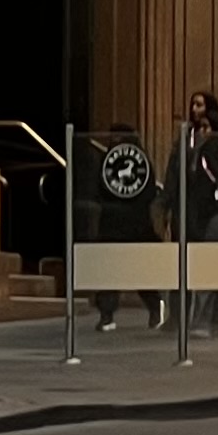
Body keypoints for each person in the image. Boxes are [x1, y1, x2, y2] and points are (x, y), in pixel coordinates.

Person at [157, 93, 218, 338]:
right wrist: (167, 206)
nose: (195, 110)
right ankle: (185, 317)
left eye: (200, 105)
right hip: (190, 213)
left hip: (214, 216)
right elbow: (175, 178)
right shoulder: (187, 145)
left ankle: (204, 320)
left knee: (207, 270)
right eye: (193, 104)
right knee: (187, 268)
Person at [76, 124, 164, 332]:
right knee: (114, 272)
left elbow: (100, 190)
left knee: (128, 271)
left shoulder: (114, 161)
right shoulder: (136, 161)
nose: (114, 141)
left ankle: (150, 307)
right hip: (125, 224)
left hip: (124, 224)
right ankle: (110, 314)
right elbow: (148, 192)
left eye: (117, 137)